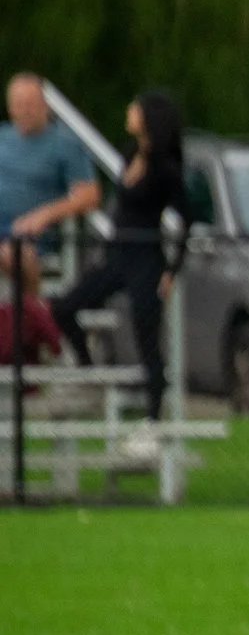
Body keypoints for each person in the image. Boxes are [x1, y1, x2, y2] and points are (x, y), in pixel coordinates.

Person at [56, 91, 187, 420]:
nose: (129, 111)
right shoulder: (130, 155)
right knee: (65, 306)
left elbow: (187, 219)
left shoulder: (165, 168)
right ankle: (87, 366)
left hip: (146, 258)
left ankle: (154, 416)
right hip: (117, 255)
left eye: (135, 108)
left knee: (146, 336)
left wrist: (172, 269)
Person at [2, 74, 101, 264]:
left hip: (31, 234)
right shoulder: (2, 136)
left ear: (45, 105)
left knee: (12, 252)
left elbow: (89, 195)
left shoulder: (65, 144)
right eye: (18, 104)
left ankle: (29, 285)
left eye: (30, 104)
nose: (24, 110)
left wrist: (45, 214)